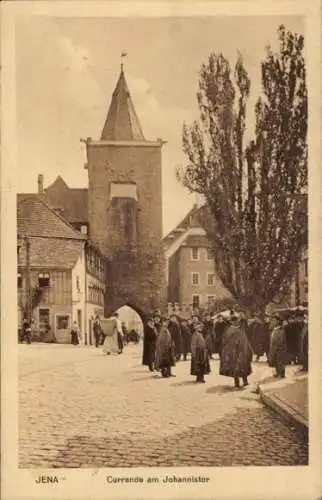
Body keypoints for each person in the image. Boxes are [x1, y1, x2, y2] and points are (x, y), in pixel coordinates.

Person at [219, 313, 253, 388]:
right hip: (233, 352)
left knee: (243, 366)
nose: (235, 322)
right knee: (235, 367)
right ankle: (237, 383)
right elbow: (225, 341)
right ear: (231, 322)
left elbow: (245, 340)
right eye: (233, 321)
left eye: (236, 321)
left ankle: (245, 381)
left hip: (242, 351)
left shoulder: (241, 329)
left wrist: (248, 349)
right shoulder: (229, 330)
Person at [267, 313, 288, 378]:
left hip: (279, 349)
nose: (272, 321)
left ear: (278, 321)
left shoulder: (281, 330)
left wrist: (277, 347)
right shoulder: (274, 329)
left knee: (280, 361)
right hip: (274, 348)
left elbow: (281, 341)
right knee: (276, 360)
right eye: (272, 320)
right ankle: (278, 372)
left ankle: (282, 374)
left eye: (274, 320)